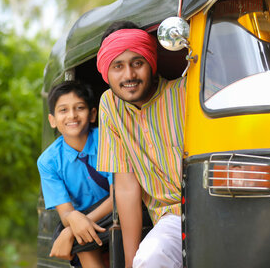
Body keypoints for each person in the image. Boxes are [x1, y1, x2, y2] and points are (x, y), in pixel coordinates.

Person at [96, 21, 186, 268]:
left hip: (215, 204)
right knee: (150, 258)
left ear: (150, 63)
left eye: (137, 63)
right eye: (118, 66)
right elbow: (126, 186)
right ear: (106, 72)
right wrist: (129, 262)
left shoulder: (184, 92)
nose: (129, 76)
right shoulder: (110, 106)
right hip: (170, 218)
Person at [37, 80, 114, 268]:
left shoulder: (109, 140)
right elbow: (66, 214)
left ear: (93, 114)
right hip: (86, 222)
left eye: (79, 108)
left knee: (73, 231)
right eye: (63, 110)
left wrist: (71, 230)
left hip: (120, 209)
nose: (72, 115)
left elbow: (119, 196)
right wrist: (74, 224)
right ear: (52, 120)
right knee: (76, 233)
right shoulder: (48, 162)